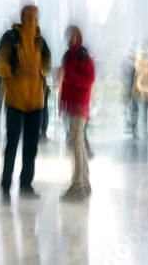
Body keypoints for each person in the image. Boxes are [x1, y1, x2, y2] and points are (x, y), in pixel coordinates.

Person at [0, 5, 51, 199]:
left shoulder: (40, 41)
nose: (31, 18)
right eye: (28, 15)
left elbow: (46, 65)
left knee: (31, 146)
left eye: (34, 15)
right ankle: (6, 185)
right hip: (15, 101)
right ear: (22, 16)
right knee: (12, 144)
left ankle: (26, 184)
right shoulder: (11, 38)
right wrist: (18, 71)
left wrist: (41, 72)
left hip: (36, 103)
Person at [59, 25, 95, 201]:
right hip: (72, 106)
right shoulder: (68, 56)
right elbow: (63, 83)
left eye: (72, 36)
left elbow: (89, 80)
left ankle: (78, 186)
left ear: (78, 37)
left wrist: (69, 78)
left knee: (76, 145)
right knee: (78, 144)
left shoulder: (82, 55)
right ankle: (84, 183)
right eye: (68, 36)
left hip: (80, 106)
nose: (70, 39)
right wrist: (63, 105)